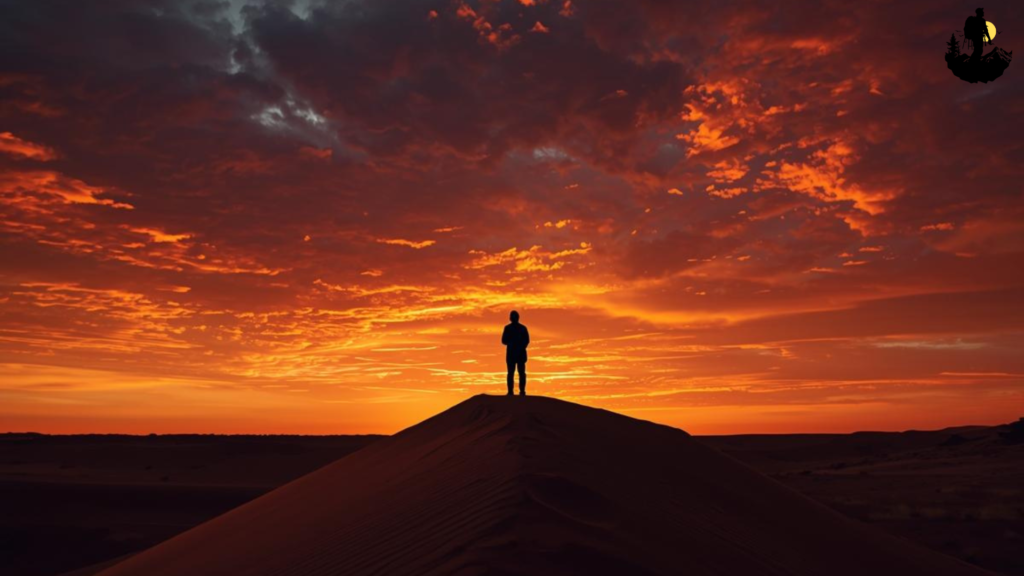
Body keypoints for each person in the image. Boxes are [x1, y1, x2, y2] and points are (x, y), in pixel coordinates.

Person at [501, 310, 529, 396]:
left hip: (520, 354)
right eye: (512, 317)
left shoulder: (523, 328)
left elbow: (527, 340)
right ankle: (510, 392)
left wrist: (520, 346)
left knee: (521, 373)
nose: (513, 318)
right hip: (511, 355)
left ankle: (522, 391)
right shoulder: (508, 328)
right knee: (511, 373)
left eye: (514, 316)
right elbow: (503, 340)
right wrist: (511, 343)